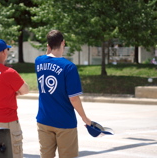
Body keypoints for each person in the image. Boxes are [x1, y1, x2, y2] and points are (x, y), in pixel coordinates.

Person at [35, 30, 92, 158]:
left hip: (44, 120)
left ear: (48, 45)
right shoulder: (69, 67)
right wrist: (84, 117)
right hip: (64, 122)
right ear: (63, 43)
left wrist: (49, 48)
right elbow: (73, 98)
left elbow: (46, 56)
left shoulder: (38, 61)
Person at [0, 39, 29, 158]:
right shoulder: (9, 73)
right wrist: (13, 91)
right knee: (13, 153)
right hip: (5, 120)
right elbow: (25, 90)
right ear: (4, 52)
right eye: (7, 49)